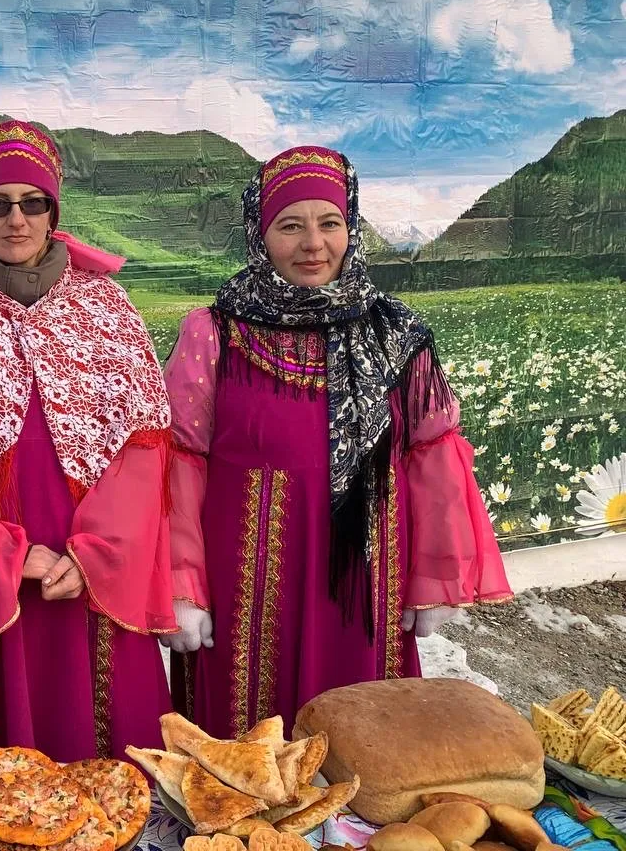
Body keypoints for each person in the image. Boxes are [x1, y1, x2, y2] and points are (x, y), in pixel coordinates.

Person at [0, 120, 203, 822]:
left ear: (54, 210)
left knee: (105, 756)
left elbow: (146, 440)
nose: (16, 219)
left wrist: (98, 553)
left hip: (91, 556)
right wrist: (1, 553)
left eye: (33, 202)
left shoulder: (105, 305)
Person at [163, 145, 512, 737]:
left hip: (367, 582)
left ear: (351, 227)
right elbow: (180, 460)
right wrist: (183, 584)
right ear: (259, 234)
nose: (313, 244)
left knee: (365, 741)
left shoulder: (397, 334)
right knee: (247, 756)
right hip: (248, 587)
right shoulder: (215, 332)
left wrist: (435, 578)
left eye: (329, 223)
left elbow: (433, 457)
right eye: (289, 226)